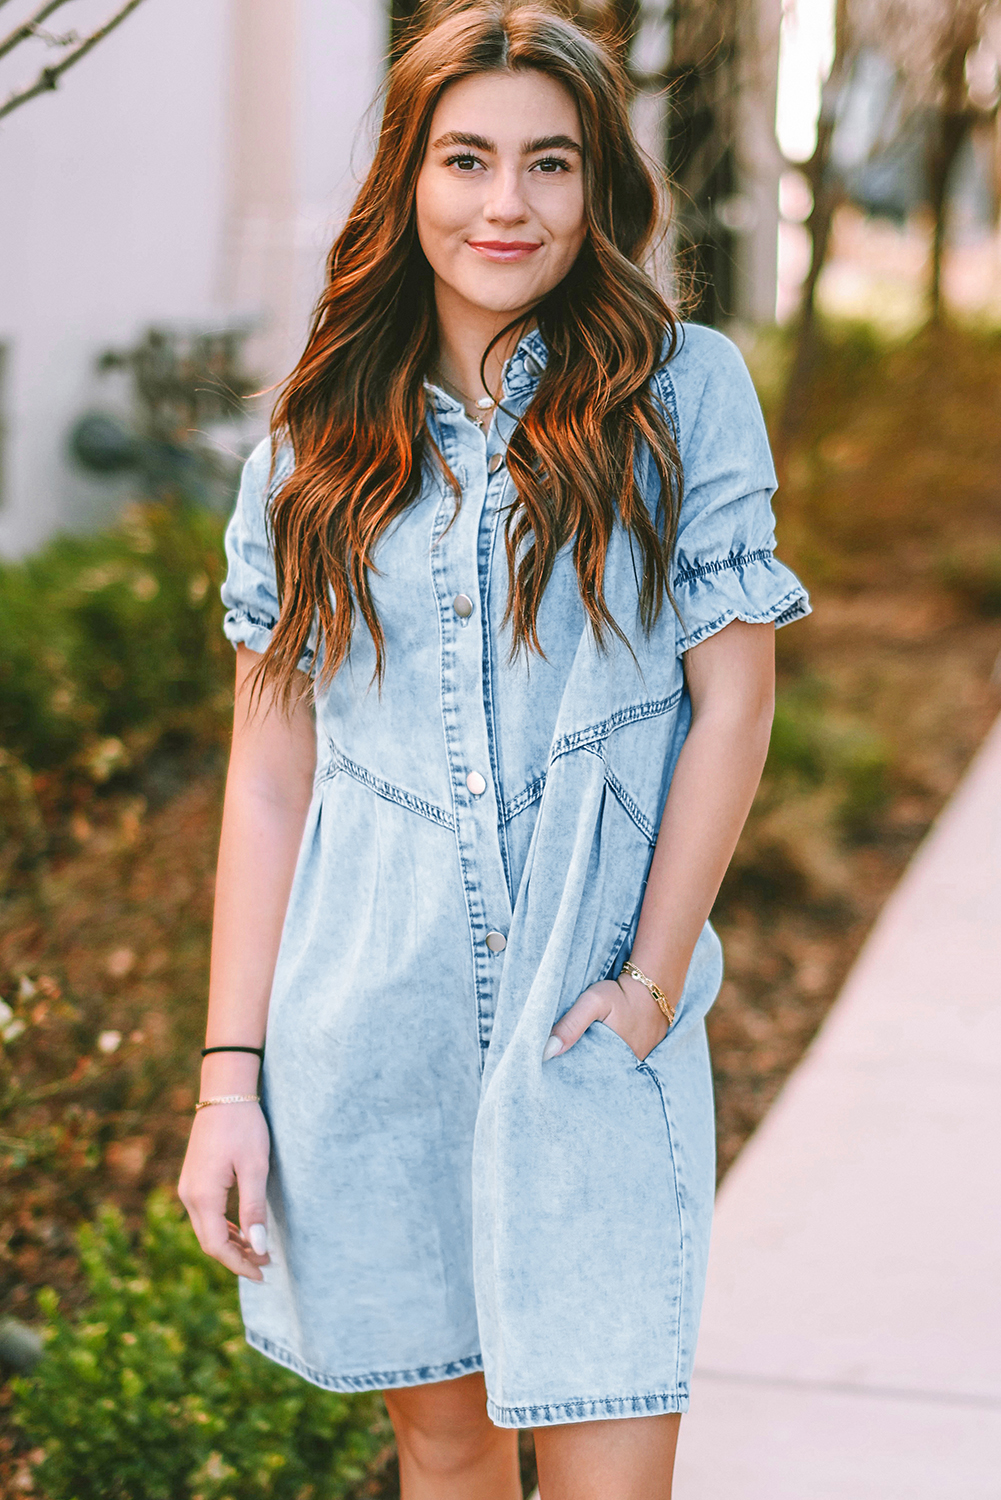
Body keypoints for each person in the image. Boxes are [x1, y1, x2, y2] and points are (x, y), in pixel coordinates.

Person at [178, 3, 810, 1496]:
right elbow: (270, 782)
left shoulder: (678, 392)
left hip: (586, 1024)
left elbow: (734, 702)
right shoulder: (309, 447)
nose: (504, 204)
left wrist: (650, 983)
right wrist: (228, 1084)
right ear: (409, 178)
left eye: (549, 162)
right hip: (366, 1027)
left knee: (607, 1469)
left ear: (599, 190)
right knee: (447, 1463)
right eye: (466, 160)